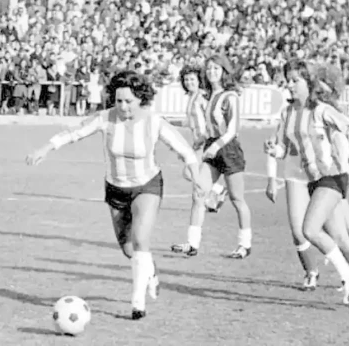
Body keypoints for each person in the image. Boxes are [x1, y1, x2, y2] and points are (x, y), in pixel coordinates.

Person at [26, 70, 204, 320]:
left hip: (147, 185)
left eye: (128, 101)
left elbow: (185, 151)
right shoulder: (105, 118)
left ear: (141, 99)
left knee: (141, 240)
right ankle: (150, 272)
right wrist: (45, 148)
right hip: (116, 188)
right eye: (118, 100)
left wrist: (195, 176)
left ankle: (137, 303)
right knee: (129, 249)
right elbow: (74, 132)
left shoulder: (154, 122)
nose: (122, 106)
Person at [264, 61, 349, 309]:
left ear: (308, 83)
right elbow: (286, 149)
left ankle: (348, 278)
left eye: (296, 80)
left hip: (333, 177)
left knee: (309, 229)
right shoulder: (287, 113)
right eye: (288, 80)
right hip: (315, 181)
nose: (291, 85)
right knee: (340, 237)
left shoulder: (320, 110)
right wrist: (276, 150)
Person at [172, 55, 252, 258]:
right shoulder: (208, 96)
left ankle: (245, 244)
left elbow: (233, 129)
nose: (212, 72)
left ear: (224, 71)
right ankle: (192, 243)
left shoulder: (230, 96)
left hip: (228, 149)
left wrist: (215, 146)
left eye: (216, 68)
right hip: (211, 147)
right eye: (209, 69)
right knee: (199, 193)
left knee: (237, 199)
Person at [179, 64, 227, 212]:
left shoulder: (202, 96)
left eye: (192, 79)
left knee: (189, 172)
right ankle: (211, 198)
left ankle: (216, 191)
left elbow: (210, 119)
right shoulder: (191, 97)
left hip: (204, 141)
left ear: (199, 80)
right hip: (197, 140)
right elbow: (191, 120)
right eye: (186, 80)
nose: (189, 82)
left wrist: (203, 138)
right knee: (193, 173)